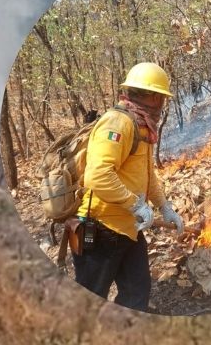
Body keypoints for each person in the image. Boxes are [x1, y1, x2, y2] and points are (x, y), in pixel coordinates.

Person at [72, 62, 185, 311]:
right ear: (154, 97)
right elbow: (97, 176)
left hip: (129, 229)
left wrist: (165, 207)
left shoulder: (141, 125)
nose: (163, 104)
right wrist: (135, 204)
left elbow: (147, 175)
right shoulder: (117, 123)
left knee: (136, 295)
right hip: (102, 229)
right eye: (162, 98)